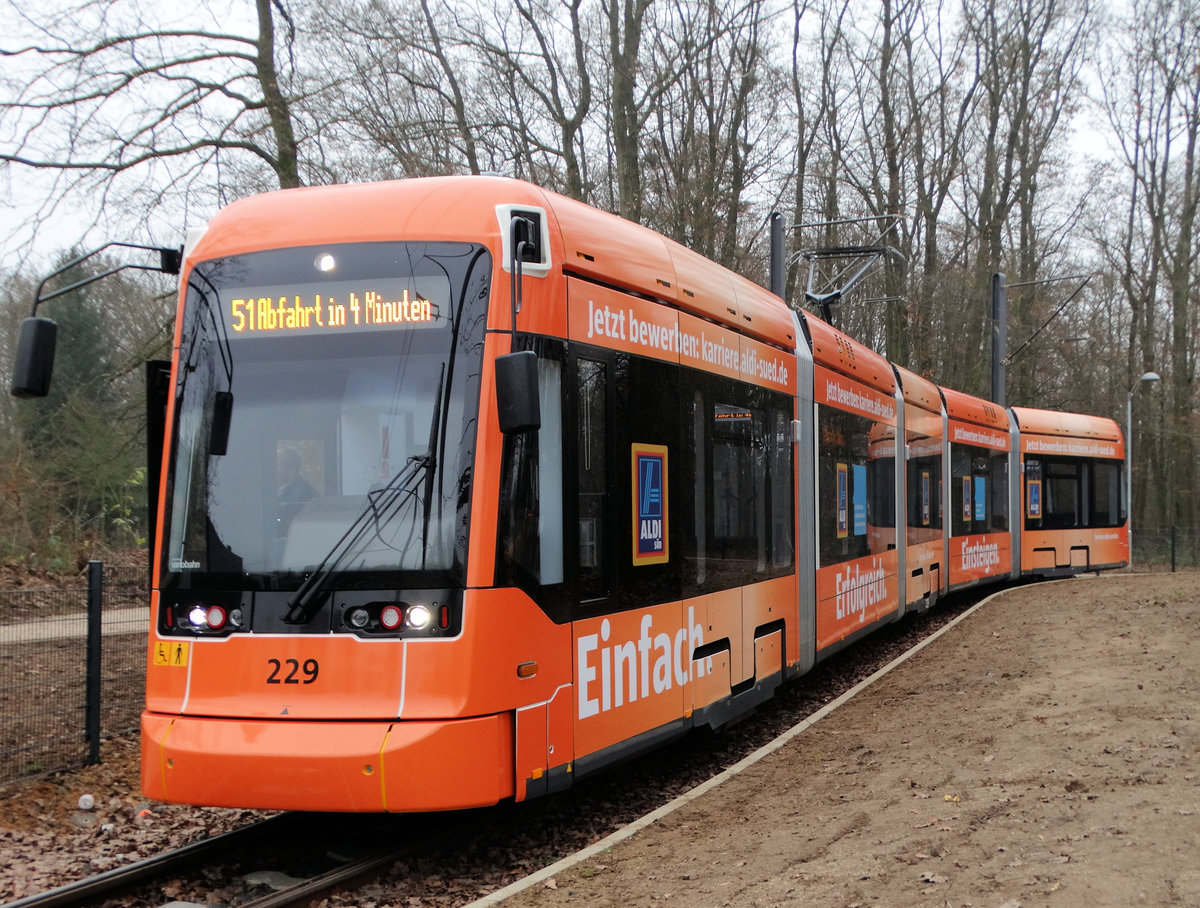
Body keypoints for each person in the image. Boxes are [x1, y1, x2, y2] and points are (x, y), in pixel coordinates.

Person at [276, 446, 317, 532]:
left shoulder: (303, 495)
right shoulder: (276, 492)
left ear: (291, 468)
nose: (270, 468)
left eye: (276, 464)